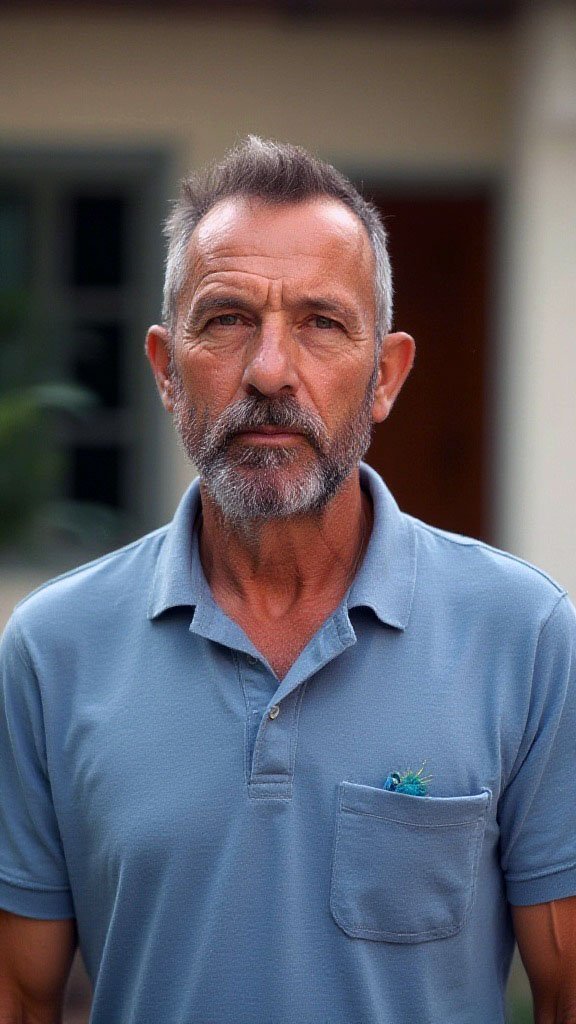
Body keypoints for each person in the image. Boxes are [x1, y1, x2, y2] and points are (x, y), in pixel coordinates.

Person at [1, 137, 575, 1024]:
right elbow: (21, 995)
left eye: (321, 323)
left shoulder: (524, 635)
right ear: (165, 370)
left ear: (385, 376)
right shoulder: (52, 650)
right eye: (227, 319)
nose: (270, 370)